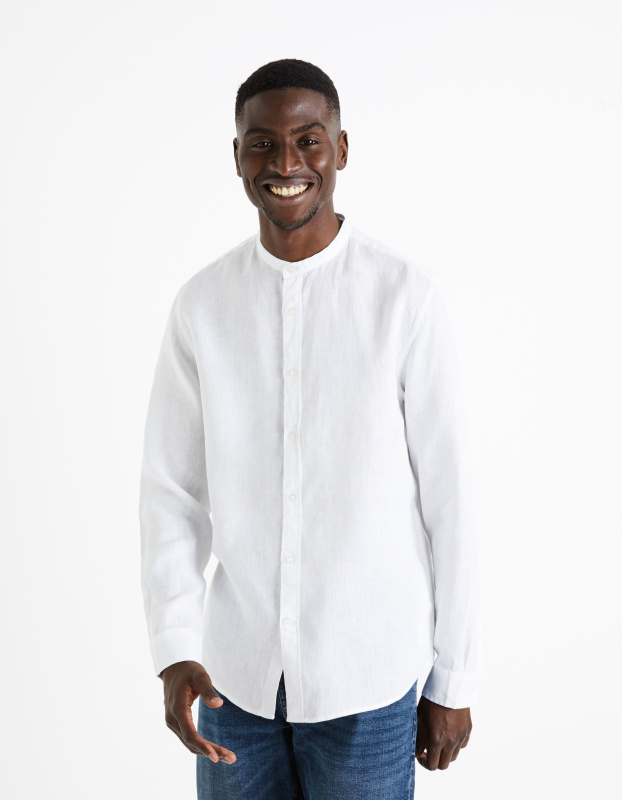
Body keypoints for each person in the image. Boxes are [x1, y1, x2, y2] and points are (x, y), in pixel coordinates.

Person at [139, 58, 484, 799]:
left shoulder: (407, 300)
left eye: (308, 140)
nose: (286, 163)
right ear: (237, 156)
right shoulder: (202, 306)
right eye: (262, 143)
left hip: (369, 679)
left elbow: (451, 501)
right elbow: (172, 490)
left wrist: (453, 678)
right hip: (233, 681)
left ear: (341, 149)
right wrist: (174, 646)